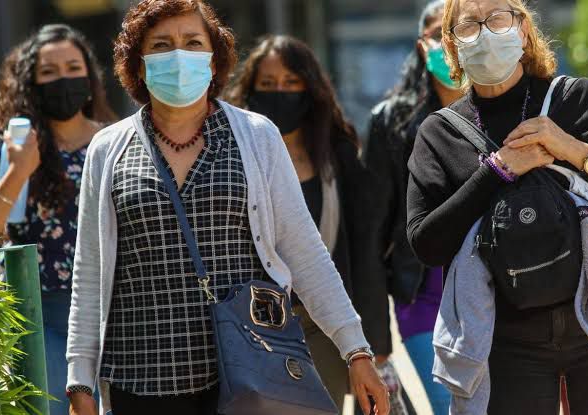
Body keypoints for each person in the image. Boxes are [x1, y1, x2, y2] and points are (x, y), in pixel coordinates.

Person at [65, 1, 389, 415]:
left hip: (248, 375)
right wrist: (80, 379)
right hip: (140, 379)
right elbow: (88, 273)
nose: (178, 56)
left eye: (193, 43)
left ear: (214, 61)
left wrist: (355, 351)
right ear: (139, 64)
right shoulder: (109, 148)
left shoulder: (257, 136)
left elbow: (305, 252)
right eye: (161, 45)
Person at [406, 0, 588, 414]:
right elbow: (427, 244)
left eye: (497, 19)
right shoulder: (438, 134)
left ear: (523, 29)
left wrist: (573, 150)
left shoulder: (577, 100)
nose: (486, 33)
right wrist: (498, 170)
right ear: (452, 45)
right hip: (505, 341)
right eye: (470, 25)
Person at [226, 34, 392, 413]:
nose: (279, 93)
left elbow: (365, 250)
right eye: (267, 85)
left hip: (320, 327)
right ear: (250, 90)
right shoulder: (229, 153)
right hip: (248, 326)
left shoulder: (338, 154)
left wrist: (372, 342)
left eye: (291, 83)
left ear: (310, 89)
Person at [0, 24, 115, 415]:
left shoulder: (117, 141)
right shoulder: (3, 145)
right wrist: (19, 170)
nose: (63, 80)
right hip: (40, 313)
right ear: (30, 84)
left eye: (73, 68)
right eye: (49, 72)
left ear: (90, 77)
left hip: (114, 310)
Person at [363, 1, 458, 413]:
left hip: (501, 293)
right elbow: (371, 231)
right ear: (423, 46)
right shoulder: (390, 122)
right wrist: (374, 339)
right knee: (451, 406)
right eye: (440, 33)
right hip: (422, 295)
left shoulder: (508, 112)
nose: (450, 42)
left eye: (460, 29)